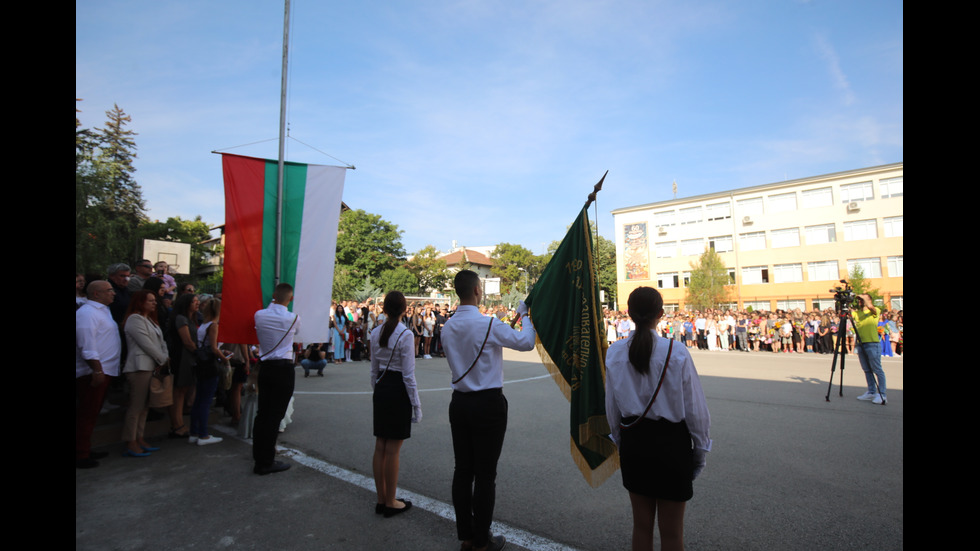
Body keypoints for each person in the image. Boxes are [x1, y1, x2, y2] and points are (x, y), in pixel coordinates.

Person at [605, 287, 711, 551]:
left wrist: (621, 442)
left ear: (628, 313)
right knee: (672, 534)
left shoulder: (615, 352)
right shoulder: (676, 352)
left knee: (641, 527)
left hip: (634, 442)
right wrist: (700, 452)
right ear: (661, 314)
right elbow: (695, 410)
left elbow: (612, 409)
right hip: (671, 446)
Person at [441, 270, 536, 551]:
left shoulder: (447, 327)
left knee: (463, 470)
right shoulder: (488, 324)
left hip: (460, 403)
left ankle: (467, 536)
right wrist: (526, 316)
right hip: (487, 404)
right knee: (484, 475)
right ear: (477, 291)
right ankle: (482, 540)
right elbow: (526, 342)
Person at [370, 291, 422, 517]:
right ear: (404, 310)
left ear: (384, 308)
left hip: (381, 386)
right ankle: (391, 501)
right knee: (392, 449)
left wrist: (378, 390)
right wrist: (416, 404)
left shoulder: (375, 332)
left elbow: (373, 370)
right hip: (397, 389)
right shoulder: (405, 335)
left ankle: (382, 499)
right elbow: (409, 375)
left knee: (380, 444)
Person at [252, 283, 299, 475]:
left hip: (266, 367)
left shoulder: (259, 315)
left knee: (263, 414)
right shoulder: (293, 318)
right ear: (291, 299)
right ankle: (266, 461)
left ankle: (260, 457)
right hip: (283, 369)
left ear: (273, 296)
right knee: (275, 415)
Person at [76, 280, 122, 468]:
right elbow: (87, 346)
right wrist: (96, 369)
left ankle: (85, 447)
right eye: (109, 290)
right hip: (92, 373)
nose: (113, 293)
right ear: (96, 294)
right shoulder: (86, 314)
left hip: (105, 370)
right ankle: (80, 454)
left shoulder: (102, 311)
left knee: (92, 413)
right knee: (86, 413)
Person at [121, 290, 170, 457]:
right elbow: (146, 344)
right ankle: (130, 441)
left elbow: (161, 342)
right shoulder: (134, 319)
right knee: (136, 406)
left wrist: (163, 357)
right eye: (150, 300)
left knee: (144, 407)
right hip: (139, 367)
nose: (154, 303)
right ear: (140, 302)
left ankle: (139, 437)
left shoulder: (150, 320)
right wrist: (162, 359)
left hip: (152, 365)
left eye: (154, 300)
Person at [191, 297, 228, 446]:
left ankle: (194, 432)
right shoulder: (213, 325)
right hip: (210, 364)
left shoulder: (204, 324)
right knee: (205, 400)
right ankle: (203, 434)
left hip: (201, 363)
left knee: (199, 399)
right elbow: (213, 348)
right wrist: (224, 358)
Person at [852, 294, 887, 405]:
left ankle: (882, 394)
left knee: (877, 369)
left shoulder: (875, 310)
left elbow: (871, 307)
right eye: (859, 300)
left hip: (872, 343)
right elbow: (847, 313)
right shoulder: (858, 313)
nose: (860, 302)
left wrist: (864, 297)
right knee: (867, 369)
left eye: (862, 300)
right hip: (861, 344)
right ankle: (871, 391)